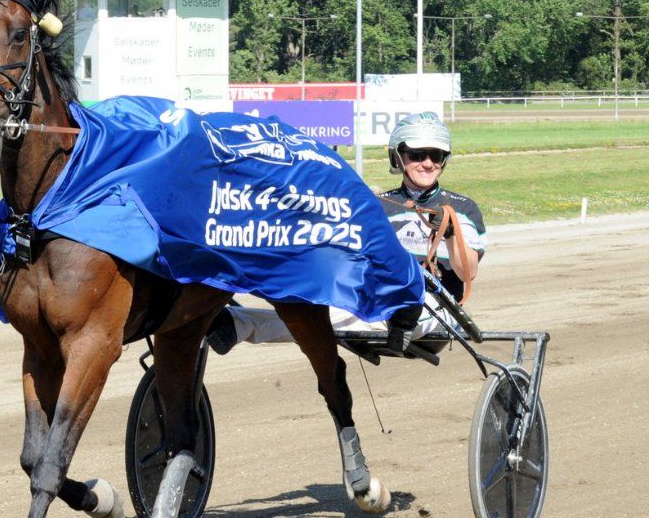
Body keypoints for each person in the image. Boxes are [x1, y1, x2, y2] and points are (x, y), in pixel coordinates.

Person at [207, 111, 488, 354]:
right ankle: (231, 320)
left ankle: (238, 324)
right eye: (417, 154)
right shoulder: (377, 205)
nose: (427, 163)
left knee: (352, 315)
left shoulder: (461, 209)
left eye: (436, 155)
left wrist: (451, 234)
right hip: (377, 298)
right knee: (314, 303)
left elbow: (467, 274)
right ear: (399, 156)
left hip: (434, 309)